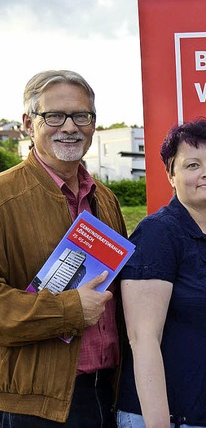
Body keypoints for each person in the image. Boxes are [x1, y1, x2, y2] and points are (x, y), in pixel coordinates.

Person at [116, 118, 206, 428]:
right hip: (174, 420)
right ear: (171, 174)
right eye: (192, 165)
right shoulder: (157, 235)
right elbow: (142, 338)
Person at [0, 70, 127, 427]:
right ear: (28, 123)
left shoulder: (105, 198)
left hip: (107, 392)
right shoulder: (3, 197)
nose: (70, 127)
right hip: (35, 402)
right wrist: (68, 309)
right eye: (54, 116)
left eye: (81, 116)